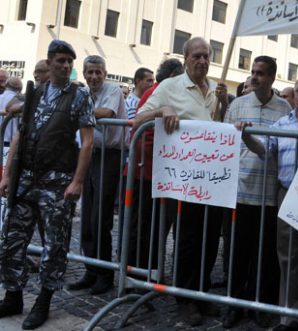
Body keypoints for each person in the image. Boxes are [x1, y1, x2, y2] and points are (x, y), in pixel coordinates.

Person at [132, 37, 228, 326]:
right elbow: (138, 118)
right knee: (188, 239)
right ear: (185, 58)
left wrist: (224, 104)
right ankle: (184, 299)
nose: (202, 61)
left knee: (210, 239)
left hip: (213, 179)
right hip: (184, 180)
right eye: (196, 56)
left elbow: (217, 126)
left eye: (206, 56)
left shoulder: (215, 89)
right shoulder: (169, 87)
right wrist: (162, 111)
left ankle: (201, 293)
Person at [0, 40, 95, 329]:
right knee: (12, 240)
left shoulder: (79, 95)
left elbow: (87, 142)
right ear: (49, 62)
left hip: (58, 183)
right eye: (61, 61)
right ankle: (13, 296)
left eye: (69, 61)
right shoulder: (36, 92)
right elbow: (21, 135)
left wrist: (77, 181)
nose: (66, 66)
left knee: (54, 246)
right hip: (26, 180)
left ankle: (43, 301)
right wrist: (7, 174)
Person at [238, 74, 298, 331]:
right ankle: (288, 317)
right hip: (287, 193)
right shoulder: (282, 123)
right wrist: (247, 137)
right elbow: (264, 149)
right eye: (297, 90)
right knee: (288, 257)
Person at [223, 55, 291, 328]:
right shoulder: (237, 105)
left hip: (269, 195)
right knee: (237, 253)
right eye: (253, 72)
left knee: (264, 255)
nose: (254, 77)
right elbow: (225, 145)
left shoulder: (285, 109)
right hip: (240, 191)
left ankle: (260, 305)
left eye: (261, 73)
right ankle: (234, 305)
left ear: (272, 78)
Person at [68, 55, 127, 294]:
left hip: (109, 156)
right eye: (90, 72)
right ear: (84, 74)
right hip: (89, 154)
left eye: (98, 72)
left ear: (105, 73)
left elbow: (107, 112)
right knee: (87, 219)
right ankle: (91, 270)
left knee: (100, 218)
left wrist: (77, 111)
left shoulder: (113, 90)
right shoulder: (83, 93)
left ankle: (104, 275)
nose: (94, 76)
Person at [126, 58, 183, 271]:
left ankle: (145, 271)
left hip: (154, 171)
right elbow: (139, 121)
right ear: (173, 77)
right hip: (149, 171)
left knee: (149, 227)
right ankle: (140, 273)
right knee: (145, 227)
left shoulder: (160, 91)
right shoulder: (160, 93)